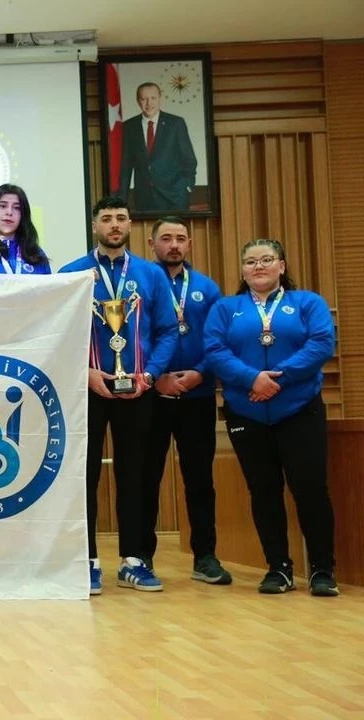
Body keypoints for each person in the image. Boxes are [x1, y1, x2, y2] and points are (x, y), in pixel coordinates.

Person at [204, 238, 338, 596]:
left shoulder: (308, 302)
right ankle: (278, 568)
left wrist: (276, 379)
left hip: (299, 409)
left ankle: (322, 570)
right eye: (251, 261)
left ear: (282, 266)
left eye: (266, 259)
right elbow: (215, 350)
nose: (258, 266)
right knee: (263, 491)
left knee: (310, 489)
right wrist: (252, 379)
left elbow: (321, 343)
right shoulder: (225, 308)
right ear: (243, 270)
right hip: (247, 412)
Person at [59, 196, 177, 595]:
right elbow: (59, 335)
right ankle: (87, 560)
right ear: (94, 225)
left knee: (136, 474)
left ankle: (135, 560)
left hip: (137, 389)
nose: (114, 224)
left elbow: (167, 331)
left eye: (121, 218)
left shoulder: (151, 274)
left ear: (130, 225)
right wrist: (85, 371)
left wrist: (151, 374)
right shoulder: (71, 274)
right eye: (106, 218)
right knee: (84, 475)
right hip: (87, 390)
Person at [141, 217, 231, 585]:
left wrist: (199, 373)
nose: (174, 245)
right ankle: (141, 556)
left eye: (180, 238)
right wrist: (155, 377)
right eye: (166, 238)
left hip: (198, 393)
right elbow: (134, 337)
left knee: (200, 479)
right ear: (152, 243)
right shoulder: (141, 283)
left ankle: (205, 556)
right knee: (146, 477)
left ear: (190, 244)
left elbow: (219, 340)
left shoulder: (207, 288)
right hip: (153, 394)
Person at [117, 82, 199, 213]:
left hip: (174, 197)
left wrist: (188, 185)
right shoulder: (129, 127)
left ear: (160, 98)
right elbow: (125, 166)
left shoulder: (176, 124)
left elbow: (189, 159)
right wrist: (121, 201)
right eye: (144, 99)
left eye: (153, 98)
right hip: (144, 199)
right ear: (138, 101)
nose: (149, 103)